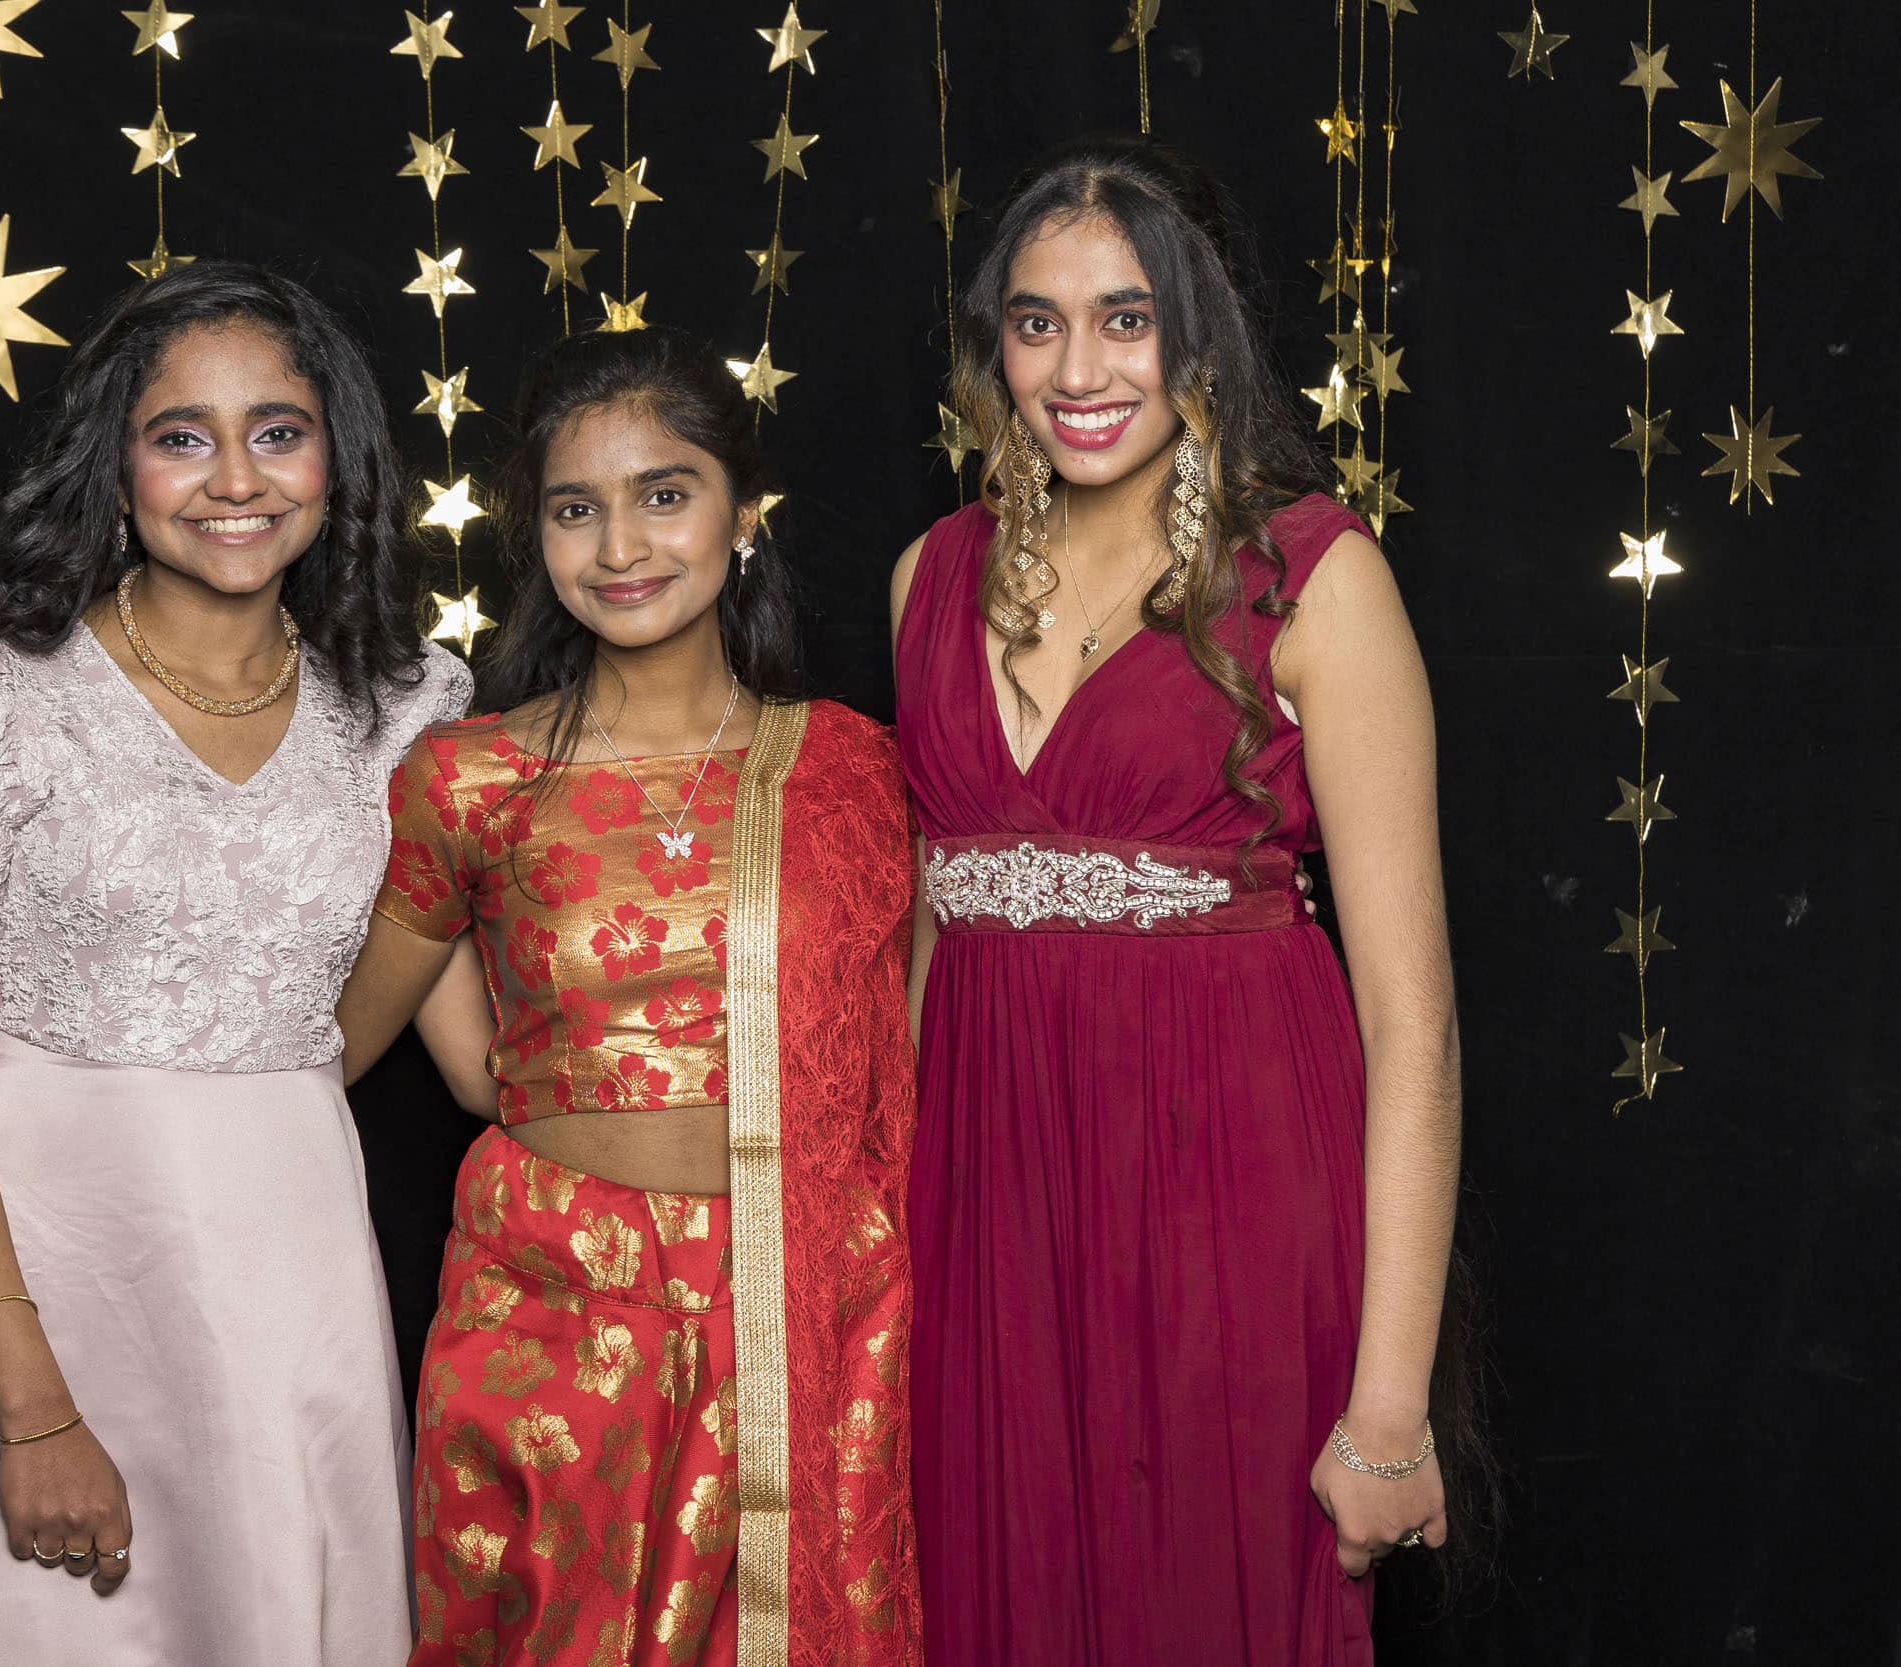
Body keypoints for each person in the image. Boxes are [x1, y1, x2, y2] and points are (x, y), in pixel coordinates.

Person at [0, 262, 469, 1665]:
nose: (236, 477)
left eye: (277, 431)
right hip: (22, 1281)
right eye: (182, 436)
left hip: (287, 1284)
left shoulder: (406, 710)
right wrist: (34, 1410)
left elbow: (465, 1047)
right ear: (115, 466)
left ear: (336, 461)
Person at [890, 135, 1462, 1664]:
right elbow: (932, 946)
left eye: (1125, 319)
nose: (1078, 367)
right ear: (990, 344)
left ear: (1196, 335)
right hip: (988, 1207)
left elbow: (1415, 1025)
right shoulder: (927, 579)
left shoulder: (1316, 579)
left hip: (1230, 1198)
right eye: (1035, 321)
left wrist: (1391, 1408)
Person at [337, 326, 922, 1664]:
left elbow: (912, 1060)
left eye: (665, 494)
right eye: (574, 509)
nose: (621, 547)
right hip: (547, 1320)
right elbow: (381, 1057)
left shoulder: (854, 775)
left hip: (810, 1313)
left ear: (742, 515)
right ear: (531, 538)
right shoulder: (468, 781)